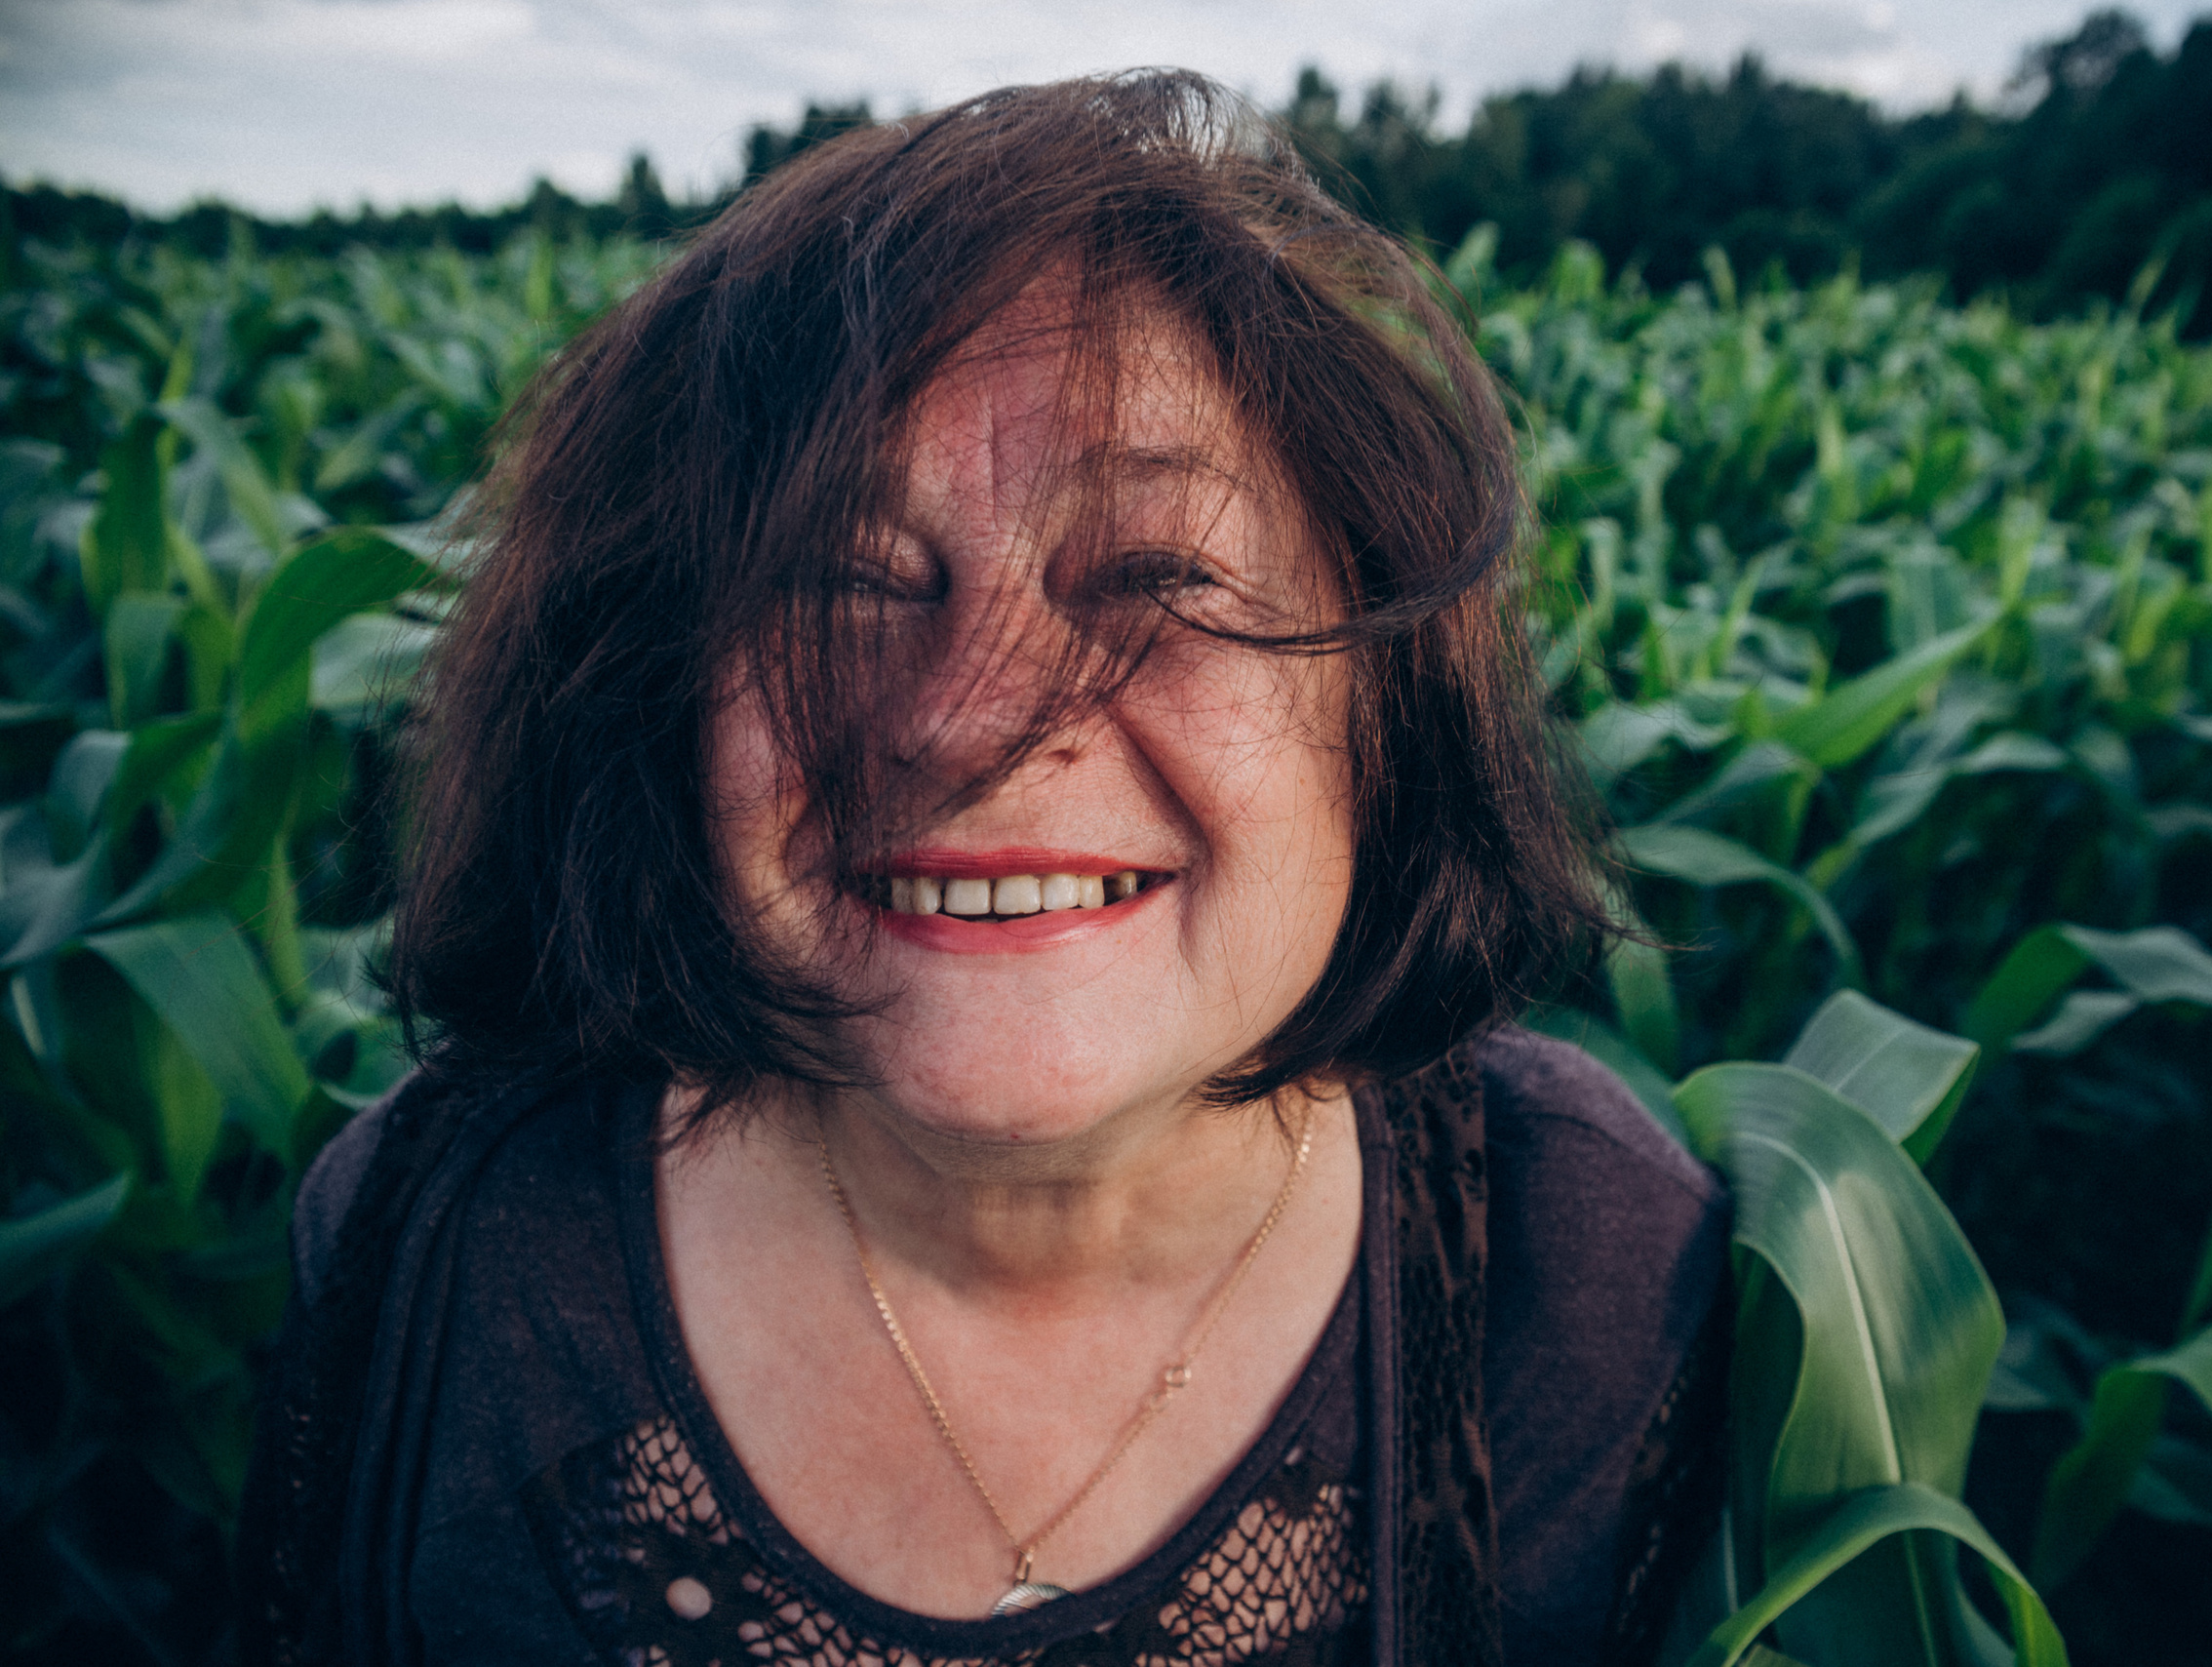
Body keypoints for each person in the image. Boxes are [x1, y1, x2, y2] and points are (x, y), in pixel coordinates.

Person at [237, 71, 1729, 1667]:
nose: (975, 724)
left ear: (1387, 696)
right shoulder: (428, 1240)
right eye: (839, 578)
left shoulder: (1588, 1273)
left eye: (1155, 573)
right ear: (650, 693)